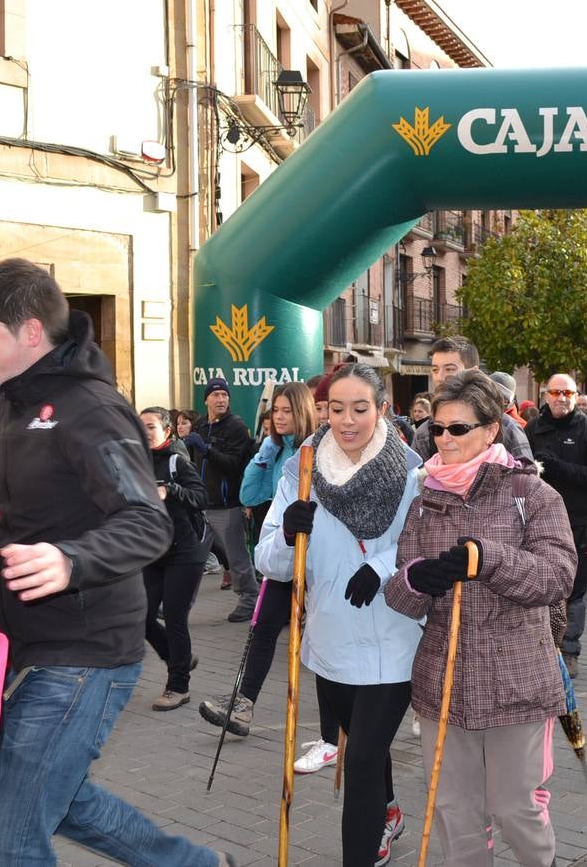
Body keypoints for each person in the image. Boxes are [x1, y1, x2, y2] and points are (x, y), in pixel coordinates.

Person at [0, 260, 225, 866]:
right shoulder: (4, 407)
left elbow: (146, 520)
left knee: (11, 841)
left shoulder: (88, 408)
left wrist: (70, 558)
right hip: (29, 642)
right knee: (60, 800)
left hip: (87, 651)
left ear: (29, 332)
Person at [385, 370, 576, 866]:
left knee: (515, 806)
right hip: (441, 683)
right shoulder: (424, 499)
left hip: (516, 678)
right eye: (438, 429)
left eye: (458, 429)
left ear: (491, 430)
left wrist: (488, 560)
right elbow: (400, 594)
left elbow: (557, 577)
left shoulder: (531, 493)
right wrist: (415, 582)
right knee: (453, 810)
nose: (444, 438)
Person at [255, 363, 423, 867]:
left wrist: (382, 565)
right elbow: (268, 561)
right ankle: (389, 812)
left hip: (394, 635)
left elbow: (422, 544)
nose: (347, 420)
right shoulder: (301, 470)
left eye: (360, 408)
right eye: (336, 408)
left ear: (382, 410)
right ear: (323, 410)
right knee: (366, 751)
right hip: (328, 637)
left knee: (364, 758)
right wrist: (288, 532)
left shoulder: (414, 471)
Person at [199, 382, 342, 773]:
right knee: (262, 629)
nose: (279, 418)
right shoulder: (275, 448)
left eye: (286, 411)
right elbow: (249, 492)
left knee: (319, 641)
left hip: (315, 557)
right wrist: (266, 452)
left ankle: (332, 736)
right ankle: (243, 705)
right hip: (278, 548)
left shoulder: (319, 448)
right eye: (275, 411)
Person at [525, 373, 587, 679]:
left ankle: (569, 650)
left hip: (576, 521)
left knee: (573, 590)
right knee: (541, 588)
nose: (561, 398)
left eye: (568, 392)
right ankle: (543, 648)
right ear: (545, 395)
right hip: (536, 521)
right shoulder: (533, 428)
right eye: (555, 392)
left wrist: (558, 467)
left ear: (576, 396)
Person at [138, 407, 208, 711]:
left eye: (151, 426)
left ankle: (178, 686)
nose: (144, 432)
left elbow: (201, 497)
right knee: (141, 616)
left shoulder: (177, 461)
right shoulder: (135, 462)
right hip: (152, 552)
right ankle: (177, 656)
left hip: (185, 552)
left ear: (167, 431)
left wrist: (171, 489)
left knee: (176, 618)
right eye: (140, 426)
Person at [192, 377, 259, 622]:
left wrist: (207, 450)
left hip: (226, 505)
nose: (221, 399)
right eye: (216, 395)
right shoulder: (200, 426)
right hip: (200, 506)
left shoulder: (235, 426)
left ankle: (249, 600)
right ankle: (179, 604)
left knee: (237, 558)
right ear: (206, 399)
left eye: (224, 395)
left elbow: (233, 464)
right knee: (191, 559)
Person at [412, 336, 532, 463]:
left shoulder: (507, 427)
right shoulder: (425, 433)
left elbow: (526, 476)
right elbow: (415, 478)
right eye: (435, 370)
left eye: (450, 369)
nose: (440, 377)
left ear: (473, 372)